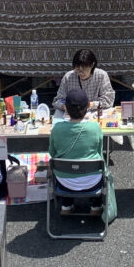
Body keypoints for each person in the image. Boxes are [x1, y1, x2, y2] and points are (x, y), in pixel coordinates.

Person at [48, 87, 104, 215]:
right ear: (87, 108)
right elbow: (99, 151)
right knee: (94, 164)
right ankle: (95, 207)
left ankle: (66, 206)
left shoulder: (57, 128)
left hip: (64, 181)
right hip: (92, 181)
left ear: (65, 108)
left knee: (67, 168)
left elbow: (52, 152)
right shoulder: (95, 127)